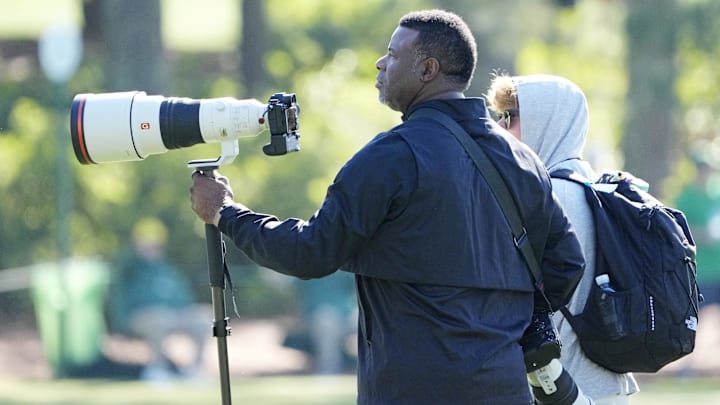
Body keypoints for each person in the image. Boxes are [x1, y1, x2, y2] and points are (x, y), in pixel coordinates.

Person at [191, 10, 584, 404]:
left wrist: (226, 212)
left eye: (393, 55)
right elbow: (566, 265)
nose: (381, 63)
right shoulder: (524, 160)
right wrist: (503, 323)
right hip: (504, 387)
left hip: (412, 388)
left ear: (428, 69)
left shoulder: (393, 155)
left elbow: (310, 251)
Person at [486, 73, 640, 404]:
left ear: (547, 122)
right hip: (604, 384)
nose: (499, 126)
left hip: (553, 386)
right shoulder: (598, 189)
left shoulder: (545, 197)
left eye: (510, 116)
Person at [107, 217, 209, 382]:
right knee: (159, 319)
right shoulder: (129, 267)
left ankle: (194, 370)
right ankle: (158, 369)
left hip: (172, 316)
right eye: (146, 243)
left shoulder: (168, 269)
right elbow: (120, 280)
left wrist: (181, 313)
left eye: (155, 244)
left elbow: (184, 297)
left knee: (203, 317)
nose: (151, 248)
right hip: (136, 318)